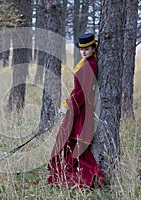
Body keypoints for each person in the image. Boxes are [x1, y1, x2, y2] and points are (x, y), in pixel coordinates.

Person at [47, 33, 104, 188]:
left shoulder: (90, 65)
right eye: (82, 49)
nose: (84, 52)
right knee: (68, 136)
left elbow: (84, 91)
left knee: (73, 136)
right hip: (78, 103)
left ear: (93, 48)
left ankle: (81, 171)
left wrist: (68, 105)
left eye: (87, 49)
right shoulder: (86, 62)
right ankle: (66, 164)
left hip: (82, 106)